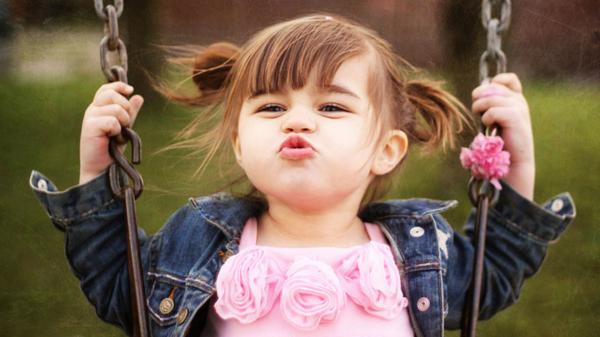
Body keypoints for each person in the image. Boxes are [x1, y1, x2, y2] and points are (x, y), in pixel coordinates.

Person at [29, 14, 575, 337]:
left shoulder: (413, 256)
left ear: (386, 150)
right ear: (241, 144)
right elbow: (119, 288)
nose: (296, 119)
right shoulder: (199, 248)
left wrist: (519, 161)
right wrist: (97, 166)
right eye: (270, 108)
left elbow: (495, 269)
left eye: (331, 108)